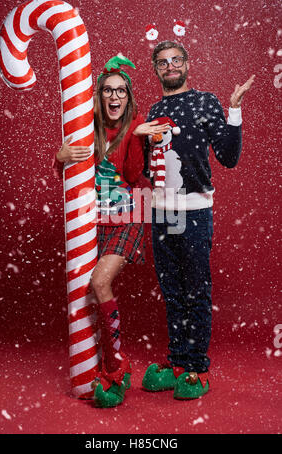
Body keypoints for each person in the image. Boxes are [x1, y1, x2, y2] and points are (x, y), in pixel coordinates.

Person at [53, 55, 168, 408]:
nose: (114, 96)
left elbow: (134, 175)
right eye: (108, 90)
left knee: (99, 282)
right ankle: (109, 362)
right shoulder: (86, 128)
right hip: (93, 219)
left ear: (127, 95)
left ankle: (116, 364)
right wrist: (60, 159)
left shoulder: (135, 124)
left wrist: (136, 136)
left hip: (129, 214)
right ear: (99, 96)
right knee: (87, 293)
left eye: (121, 90)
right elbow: (70, 178)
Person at [142, 41, 255, 399]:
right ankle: (177, 360)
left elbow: (229, 157)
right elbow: (146, 168)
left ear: (187, 64)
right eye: (163, 62)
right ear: (156, 69)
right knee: (172, 292)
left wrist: (233, 110)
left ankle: (195, 368)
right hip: (161, 212)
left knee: (196, 291)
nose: (170, 66)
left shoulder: (205, 101)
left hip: (194, 211)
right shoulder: (153, 111)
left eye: (176, 60)